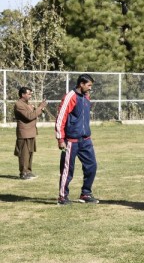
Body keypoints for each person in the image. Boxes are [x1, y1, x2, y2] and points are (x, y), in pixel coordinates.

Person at [55, 74, 99, 205]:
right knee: (67, 170)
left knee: (92, 166)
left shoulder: (86, 97)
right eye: (89, 85)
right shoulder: (70, 96)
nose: (90, 88)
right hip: (71, 140)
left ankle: (86, 193)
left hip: (86, 140)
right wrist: (60, 139)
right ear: (81, 84)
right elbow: (61, 117)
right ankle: (63, 197)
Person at [13, 86, 47, 180]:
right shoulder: (19, 105)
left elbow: (35, 113)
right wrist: (40, 107)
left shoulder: (28, 104)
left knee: (30, 153)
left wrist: (40, 108)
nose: (30, 96)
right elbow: (30, 116)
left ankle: (28, 171)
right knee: (24, 154)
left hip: (31, 132)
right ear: (23, 94)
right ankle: (23, 173)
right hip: (24, 133)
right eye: (29, 94)